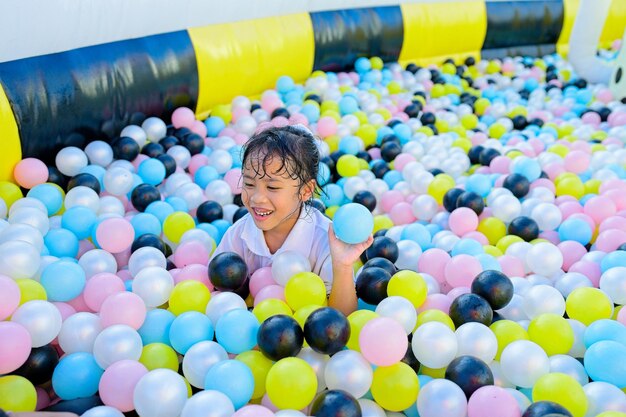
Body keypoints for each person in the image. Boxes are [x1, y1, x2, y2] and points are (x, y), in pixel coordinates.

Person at [209, 124, 373, 315]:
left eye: (272, 188)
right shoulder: (240, 233)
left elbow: (341, 318)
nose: (256, 198)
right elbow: (215, 291)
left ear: (305, 191)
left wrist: (342, 266)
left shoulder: (326, 240)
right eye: (249, 183)